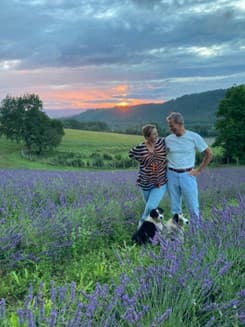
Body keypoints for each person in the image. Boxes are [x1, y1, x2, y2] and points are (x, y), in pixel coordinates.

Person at [165, 112, 213, 226]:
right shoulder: (168, 139)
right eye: (169, 126)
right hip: (171, 175)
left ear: (180, 123)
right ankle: (176, 233)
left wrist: (199, 170)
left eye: (172, 125)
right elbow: (161, 156)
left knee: (192, 206)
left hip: (188, 175)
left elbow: (209, 154)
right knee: (175, 207)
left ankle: (196, 233)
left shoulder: (193, 137)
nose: (170, 128)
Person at [129, 124, 168, 228]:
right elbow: (131, 154)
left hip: (160, 182)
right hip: (145, 183)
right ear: (147, 136)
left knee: (150, 207)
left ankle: (140, 229)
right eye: (153, 134)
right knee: (152, 210)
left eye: (157, 133)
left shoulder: (162, 142)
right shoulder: (140, 148)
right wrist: (143, 163)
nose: (156, 135)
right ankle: (159, 229)